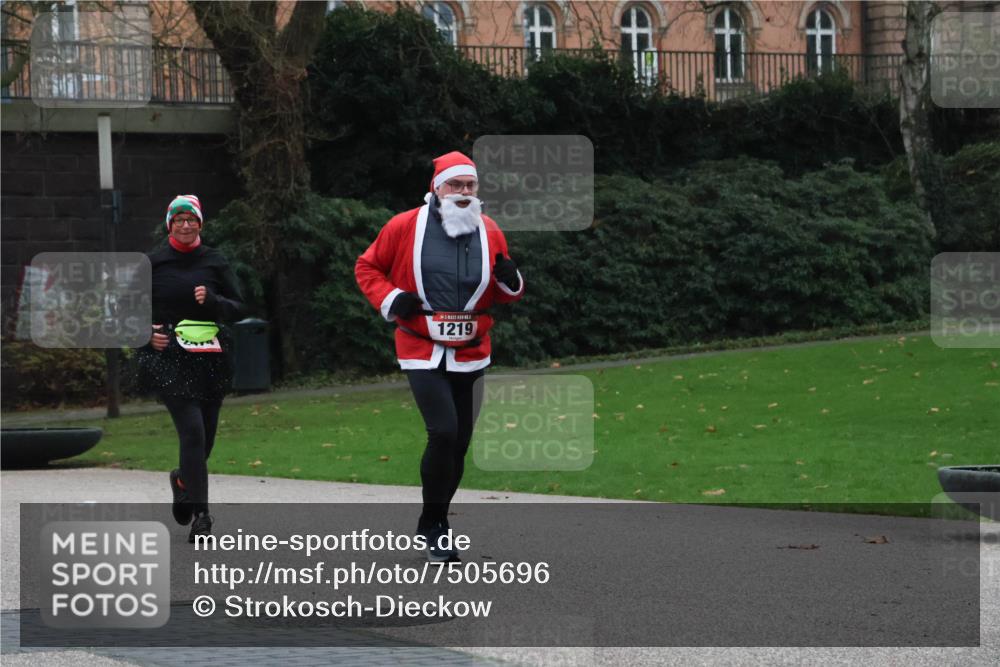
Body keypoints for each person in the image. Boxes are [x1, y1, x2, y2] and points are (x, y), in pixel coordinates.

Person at [356, 151, 525, 563]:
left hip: (472, 349)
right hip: (420, 346)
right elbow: (367, 268)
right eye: (456, 185)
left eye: (471, 186)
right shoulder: (404, 225)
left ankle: (434, 519)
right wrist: (395, 299)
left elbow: (503, 289)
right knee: (444, 432)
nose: (464, 192)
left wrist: (512, 280)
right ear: (437, 188)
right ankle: (434, 526)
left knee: (460, 443)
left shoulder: (489, 230)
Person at [133, 194, 249, 543]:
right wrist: (143, 336)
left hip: (211, 358)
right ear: (170, 224)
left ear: (200, 223)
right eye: (179, 219)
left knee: (206, 438)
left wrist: (214, 301)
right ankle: (202, 517)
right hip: (169, 357)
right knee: (193, 433)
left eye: (192, 219)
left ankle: (183, 480)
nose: (186, 225)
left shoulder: (215, 260)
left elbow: (240, 307)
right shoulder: (152, 263)